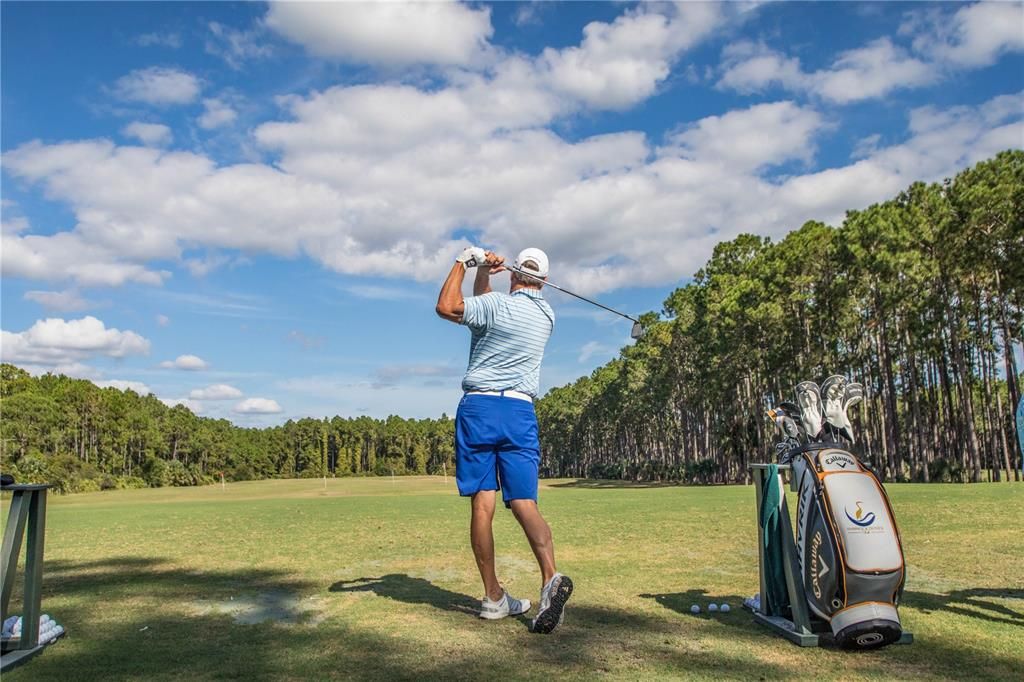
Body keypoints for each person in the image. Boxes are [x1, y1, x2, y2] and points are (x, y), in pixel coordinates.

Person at [435, 245, 572, 634]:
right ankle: (549, 581)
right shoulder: (547, 315)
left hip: (479, 410)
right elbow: (486, 310)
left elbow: (448, 307)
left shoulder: (496, 306)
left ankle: (493, 597)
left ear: (513, 273)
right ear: (543, 281)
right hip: (518, 413)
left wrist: (466, 261)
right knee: (525, 502)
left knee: (483, 505)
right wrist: (487, 275)